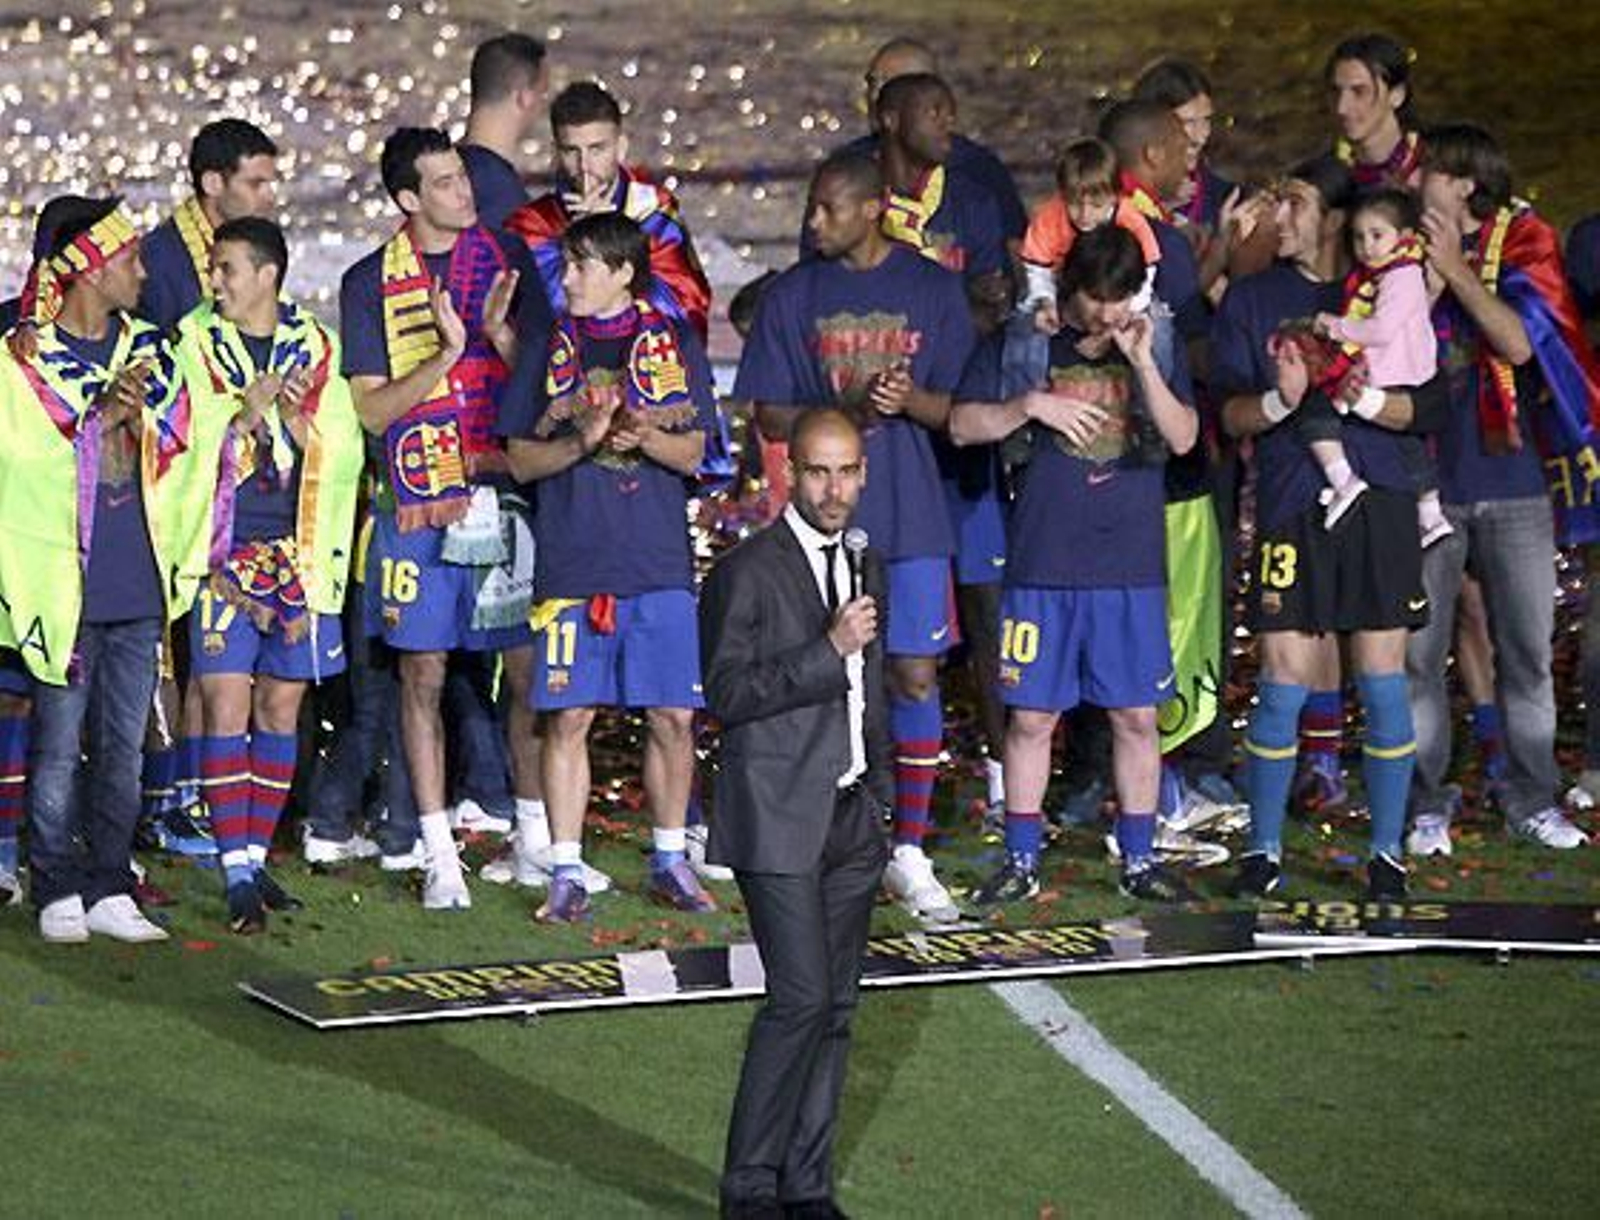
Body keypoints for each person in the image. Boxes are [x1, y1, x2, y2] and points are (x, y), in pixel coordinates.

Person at [738, 152, 975, 923]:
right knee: (820, 675)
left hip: (913, 515)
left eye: (828, 209)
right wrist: (845, 407)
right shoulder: (792, 296)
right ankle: (814, 833)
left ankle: (908, 847)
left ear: (872, 208)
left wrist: (910, 400)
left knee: (913, 676)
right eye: (813, 207)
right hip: (819, 527)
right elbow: (769, 413)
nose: (813, 222)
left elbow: (963, 411)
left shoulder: (932, 290)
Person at [953, 226, 1200, 903]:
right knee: (1032, 719)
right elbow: (962, 426)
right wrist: (1031, 405)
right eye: (1096, 299)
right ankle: (1021, 859)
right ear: (1071, 290)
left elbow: (1183, 438)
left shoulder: (1154, 343)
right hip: (1042, 565)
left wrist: (1143, 365)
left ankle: (1140, 859)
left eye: (1121, 298)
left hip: (1130, 568)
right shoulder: (1027, 343)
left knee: (1136, 718)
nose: (1108, 314)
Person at [1214, 158, 1438, 900]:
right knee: (1282, 677)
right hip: (1290, 505)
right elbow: (1229, 414)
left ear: (1336, 218)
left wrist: (1365, 398)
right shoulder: (1252, 299)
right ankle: (1263, 850)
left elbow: (1427, 406)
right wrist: (1282, 402)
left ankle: (1386, 856)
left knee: (1382, 679)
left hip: (1382, 500)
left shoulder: (1388, 292)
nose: (1279, 219)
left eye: (1297, 204)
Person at [0, 197, 215, 941]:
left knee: (124, 749)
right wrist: (101, 421)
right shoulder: (22, 364)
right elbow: (24, 461)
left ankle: (109, 884)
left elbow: (192, 439)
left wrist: (151, 418)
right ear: (88, 271)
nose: (143, 273)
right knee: (58, 749)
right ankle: (55, 884)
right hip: (62, 587)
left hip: (139, 583)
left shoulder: (153, 351)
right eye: (130, 259)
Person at [339, 126, 543, 909]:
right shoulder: (368, 282)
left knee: (523, 670)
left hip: (499, 491)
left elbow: (544, 387)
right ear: (407, 199)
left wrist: (500, 337)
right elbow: (372, 413)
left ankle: (532, 840)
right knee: (421, 674)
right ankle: (438, 855)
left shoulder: (508, 261)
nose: (466, 192)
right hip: (418, 503)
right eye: (448, 182)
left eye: (464, 176)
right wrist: (446, 355)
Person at [703, 409, 891, 1220]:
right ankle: (748, 1189)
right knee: (802, 999)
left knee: (836, 1009)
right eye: (818, 472)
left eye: (847, 472)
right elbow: (726, 693)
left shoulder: (865, 560)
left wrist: (881, 798)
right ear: (789, 473)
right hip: (777, 813)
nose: (834, 489)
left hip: (852, 816)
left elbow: (871, 694)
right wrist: (828, 650)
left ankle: (807, 1189)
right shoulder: (746, 571)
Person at [504, 211, 718, 922]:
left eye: (581, 266)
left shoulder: (673, 342)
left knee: (673, 716)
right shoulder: (547, 345)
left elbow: (694, 454)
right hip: (574, 562)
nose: (566, 279)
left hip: (656, 562)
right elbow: (520, 460)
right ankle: (566, 871)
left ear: (624, 272)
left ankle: (669, 861)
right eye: (565, 264)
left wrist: (644, 436)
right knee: (568, 716)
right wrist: (583, 442)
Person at [1404, 123, 1600, 856]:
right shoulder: (1399, 242)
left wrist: (1454, 270)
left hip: (1515, 481)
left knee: (1525, 651)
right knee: (1420, 657)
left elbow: (1518, 343)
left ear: (1464, 183)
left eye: (1430, 170)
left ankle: (1531, 796)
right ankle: (1426, 802)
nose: (1416, 180)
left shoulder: (1527, 240)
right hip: (1428, 482)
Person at [175, 217, 364, 932]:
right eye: (213, 268)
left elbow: (343, 446)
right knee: (224, 702)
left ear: (267, 274)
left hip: (301, 557)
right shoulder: (194, 342)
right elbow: (178, 437)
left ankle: (254, 859)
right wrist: (241, 418)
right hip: (223, 558)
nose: (215, 281)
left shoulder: (317, 346)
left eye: (226, 268)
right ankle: (234, 872)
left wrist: (299, 421)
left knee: (281, 709)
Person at [138, 117, 281, 855]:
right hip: (178, 491)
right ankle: (163, 798)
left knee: (199, 657)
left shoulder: (223, 254)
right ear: (212, 183)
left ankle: (187, 796)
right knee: (172, 655)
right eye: (256, 182)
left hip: (225, 492)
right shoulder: (163, 264)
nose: (268, 195)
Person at [1287, 187, 1445, 539]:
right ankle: (1430, 513)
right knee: (1406, 441)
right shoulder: (1384, 275)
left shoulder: (1401, 275)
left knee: (1314, 411)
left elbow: (1382, 329)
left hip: (1391, 372)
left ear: (1404, 236)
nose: (1367, 246)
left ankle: (1344, 481)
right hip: (1385, 370)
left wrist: (1333, 326)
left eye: (1377, 235)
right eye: (1359, 237)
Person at [504, 80, 711, 341]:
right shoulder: (529, 224)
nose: (584, 166)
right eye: (571, 151)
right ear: (556, 153)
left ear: (620, 148)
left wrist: (612, 241)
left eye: (597, 149)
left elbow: (688, 312)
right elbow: (528, 323)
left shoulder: (653, 209)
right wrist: (579, 243)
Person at [846, 36, 1028, 246]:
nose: (873, 97)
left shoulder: (979, 170)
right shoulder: (847, 168)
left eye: (888, 87)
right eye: (872, 82)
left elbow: (1015, 250)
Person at [458, 32, 548, 230]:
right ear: (524, 98)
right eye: (543, 93)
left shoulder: (434, 174)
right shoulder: (507, 203)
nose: (543, 105)